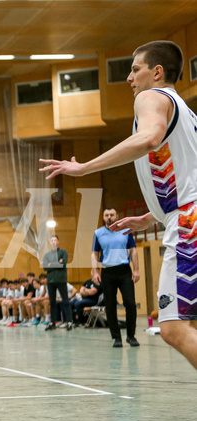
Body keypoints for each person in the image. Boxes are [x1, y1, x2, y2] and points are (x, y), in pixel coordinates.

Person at [40, 40, 197, 369]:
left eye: (135, 69)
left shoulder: (150, 97)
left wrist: (84, 167)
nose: (129, 78)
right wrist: (151, 218)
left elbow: (149, 138)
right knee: (187, 325)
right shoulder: (186, 113)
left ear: (157, 72)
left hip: (187, 222)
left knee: (172, 328)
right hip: (181, 216)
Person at [92, 207, 140, 347]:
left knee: (130, 303)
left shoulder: (126, 230)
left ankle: (131, 336)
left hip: (124, 271)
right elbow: (94, 253)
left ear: (117, 216)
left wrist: (136, 269)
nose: (109, 217)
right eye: (106, 215)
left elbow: (133, 250)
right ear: (103, 217)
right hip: (107, 272)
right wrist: (95, 271)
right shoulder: (98, 233)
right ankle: (116, 338)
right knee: (110, 306)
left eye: (112, 215)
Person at [42, 236, 72, 331]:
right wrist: (57, 264)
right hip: (50, 281)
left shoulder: (63, 252)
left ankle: (69, 322)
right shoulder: (47, 255)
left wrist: (52, 264)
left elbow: (63, 264)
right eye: (52, 240)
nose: (54, 242)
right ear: (50, 242)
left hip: (61, 280)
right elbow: (45, 267)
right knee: (52, 302)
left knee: (65, 301)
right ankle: (53, 322)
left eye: (55, 240)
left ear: (58, 242)